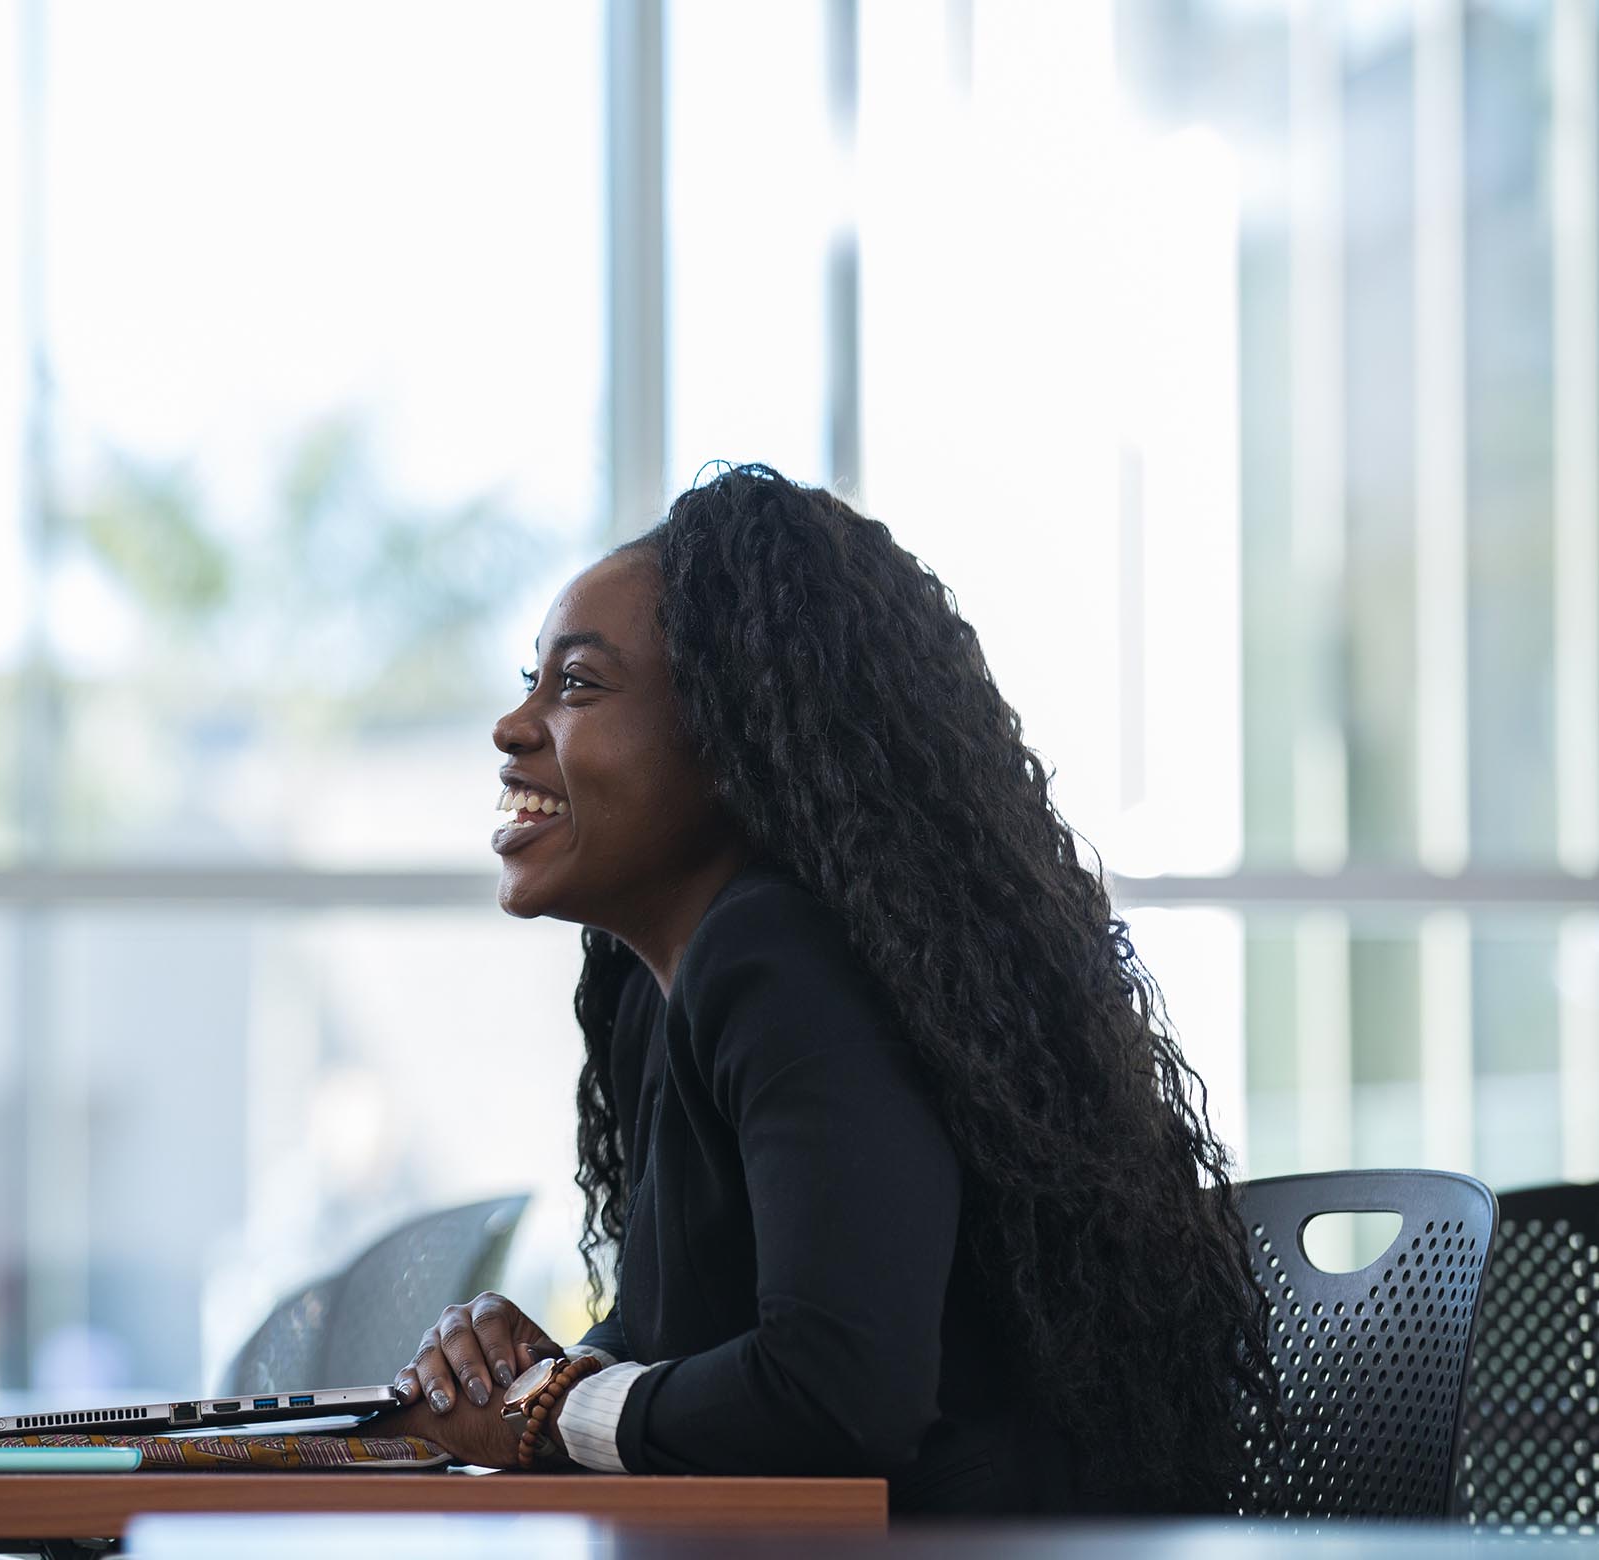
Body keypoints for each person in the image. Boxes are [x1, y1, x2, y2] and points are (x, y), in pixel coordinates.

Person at [367, 464, 1279, 1513]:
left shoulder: (783, 957)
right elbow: (699, 1340)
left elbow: (840, 1394)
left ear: (730, 734)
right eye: (532, 679)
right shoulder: (661, 986)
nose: (512, 727)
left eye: (575, 685)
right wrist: (536, 1373)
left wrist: (555, 1410)